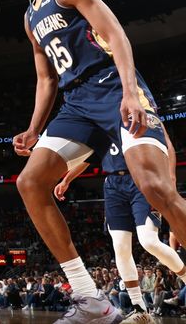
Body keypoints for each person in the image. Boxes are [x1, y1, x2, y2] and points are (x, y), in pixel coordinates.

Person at [12, 0, 186, 323]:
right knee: (30, 182)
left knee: (157, 188)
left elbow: (115, 34)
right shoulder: (29, 17)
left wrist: (129, 91)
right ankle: (91, 301)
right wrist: (34, 127)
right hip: (76, 103)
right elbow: (46, 79)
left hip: (111, 86)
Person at [55, 128, 182, 323]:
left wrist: (170, 176)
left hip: (141, 179)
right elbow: (87, 161)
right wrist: (66, 180)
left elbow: (166, 144)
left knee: (149, 241)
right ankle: (140, 309)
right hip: (113, 185)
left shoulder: (137, 115)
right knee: (120, 248)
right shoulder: (100, 129)